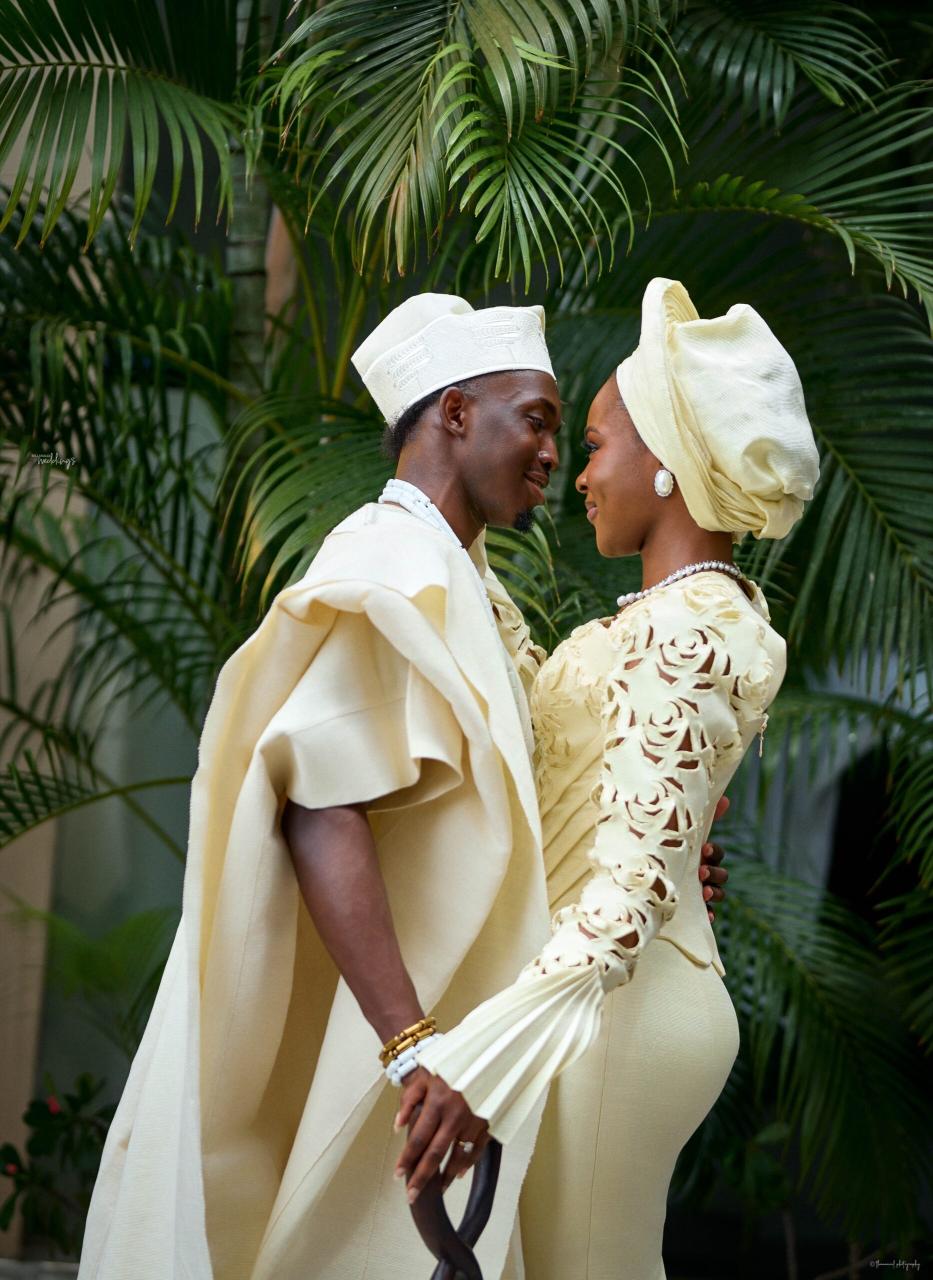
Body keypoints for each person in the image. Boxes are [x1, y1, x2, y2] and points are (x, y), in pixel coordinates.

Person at [77, 292, 727, 1280]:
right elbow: (319, 805)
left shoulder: (462, 579)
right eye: (536, 420)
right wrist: (411, 1045)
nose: (552, 456)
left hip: (457, 1036)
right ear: (455, 412)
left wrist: (654, 856)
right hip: (391, 1040)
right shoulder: (387, 566)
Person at [398, 277, 821, 1280]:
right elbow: (557, 738)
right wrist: (440, 521)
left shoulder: (691, 627)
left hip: (614, 1008)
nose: (578, 473)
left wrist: (479, 1056)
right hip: (606, 1004)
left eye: (593, 445)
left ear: (666, 459)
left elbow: (628, 895)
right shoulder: (667, 619)